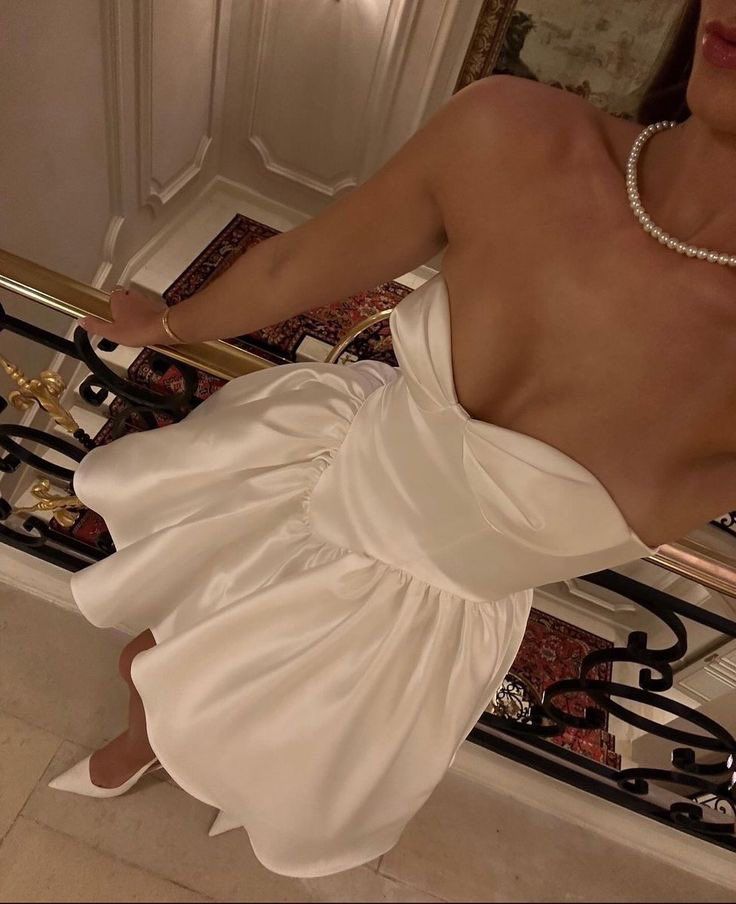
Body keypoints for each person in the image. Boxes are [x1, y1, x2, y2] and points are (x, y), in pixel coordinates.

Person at [49, 0, 734, 878]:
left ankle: (181, 761)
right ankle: (143, 748)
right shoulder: (511, 129)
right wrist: (168, 324)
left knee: (278, 745)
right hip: (317, 478)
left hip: (409, 623)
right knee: (155, 659)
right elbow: (295, 263)